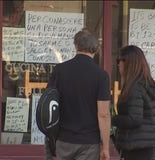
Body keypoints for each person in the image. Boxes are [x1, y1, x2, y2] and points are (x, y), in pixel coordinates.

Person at [47, 28, 111, 160]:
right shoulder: (101, 76)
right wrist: (105, 147)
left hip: (63, 138)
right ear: (96, 48)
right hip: (89, 142)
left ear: (75, 46)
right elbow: (103, 114)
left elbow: (49, 103)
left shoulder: (59, 70)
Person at [111, 45, 155, 160]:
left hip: (137, 148)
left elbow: (134, 119)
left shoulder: (135, 87)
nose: (118, 64)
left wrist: (113, 119)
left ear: (129, 63)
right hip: (143, 147)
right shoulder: (143, 84)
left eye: (120, 60)